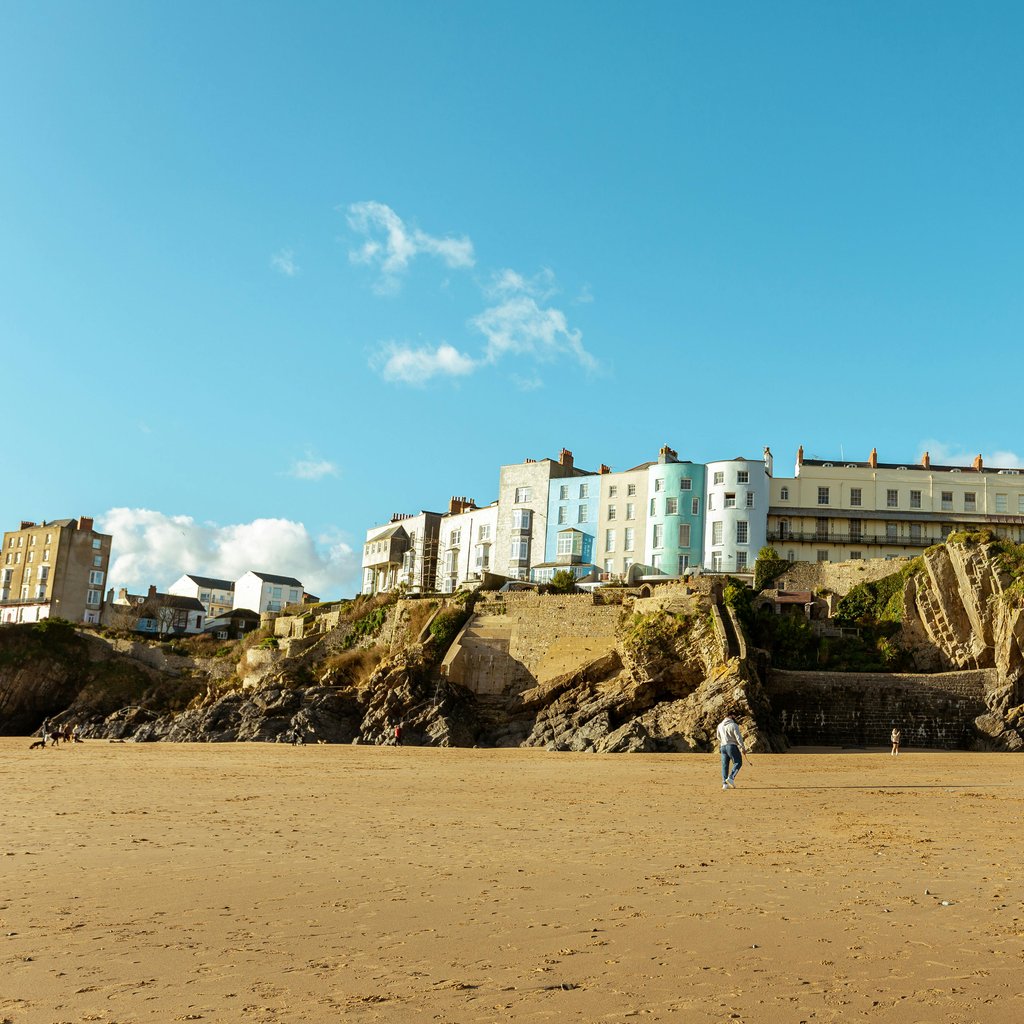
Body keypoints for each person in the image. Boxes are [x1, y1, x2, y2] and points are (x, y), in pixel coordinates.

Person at [717, 711, 748, 789]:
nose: (735, 718)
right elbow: (738, 737)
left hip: (723, 746)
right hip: (731, 746)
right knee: (738, 762)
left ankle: (725, 784)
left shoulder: (720, 725)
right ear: (731, 716)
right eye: (734, 716)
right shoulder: (734, 725)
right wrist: (742, 747)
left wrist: (723, 741)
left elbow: (718, 736)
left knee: (725, 765)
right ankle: (731, 778)